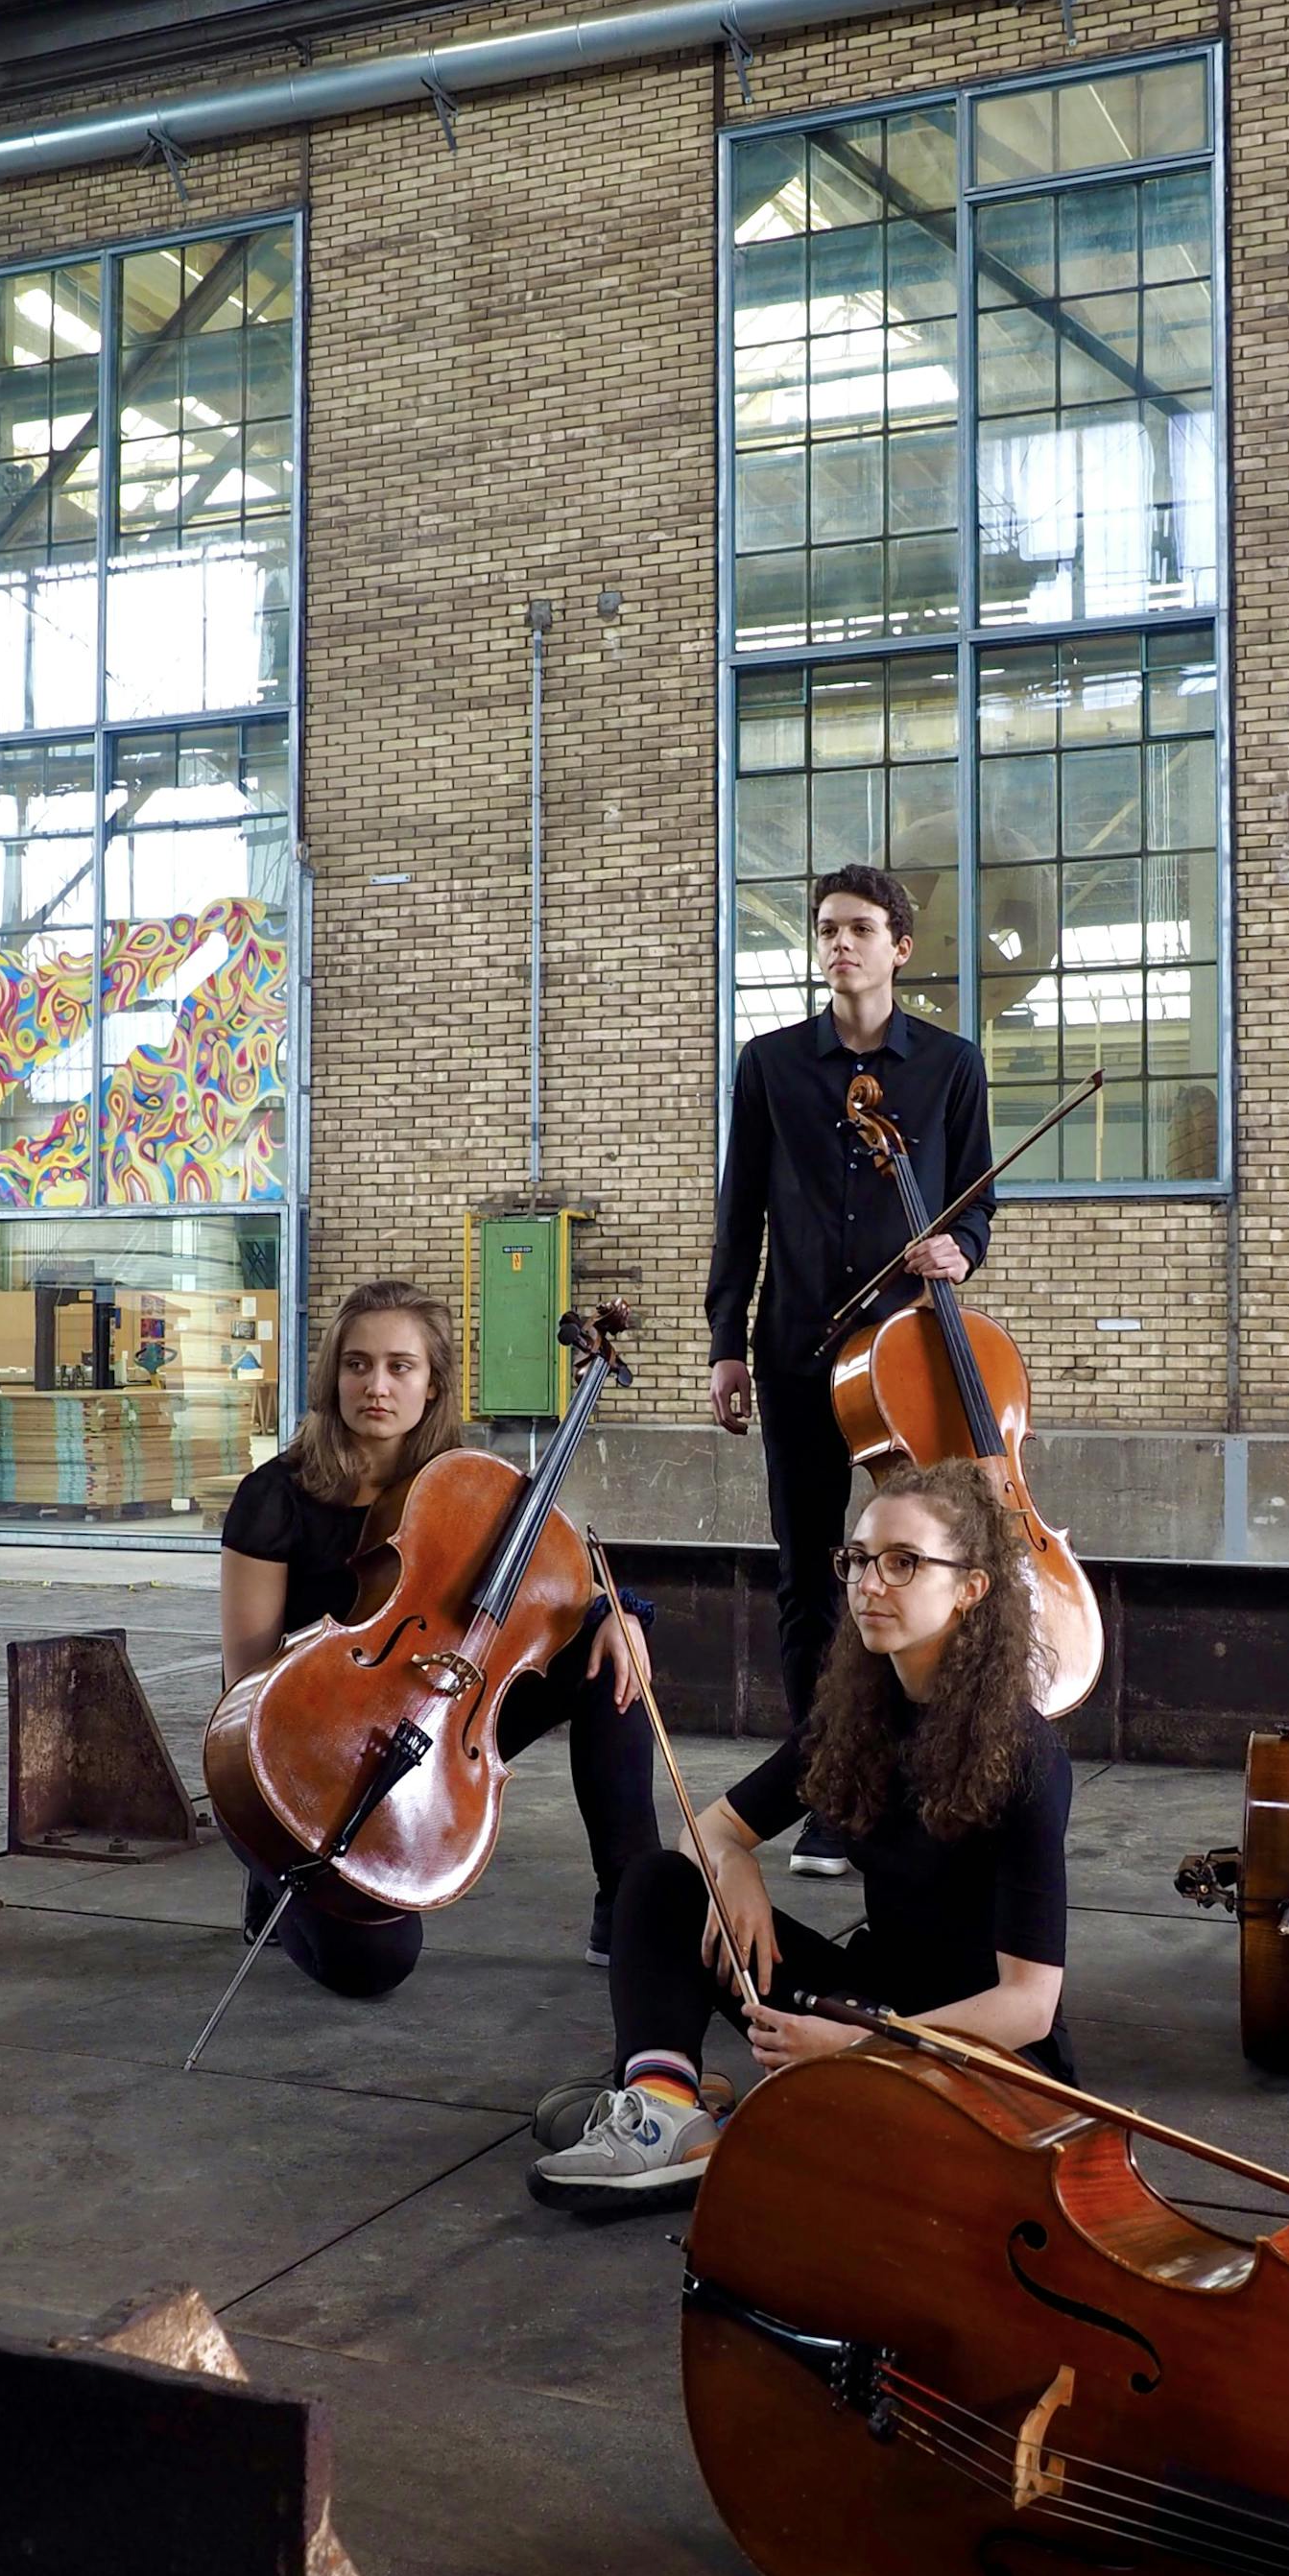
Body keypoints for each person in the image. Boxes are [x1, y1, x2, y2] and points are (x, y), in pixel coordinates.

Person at [531, 1457, 1071, 2211]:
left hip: (977, 2057)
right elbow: (707, 1834)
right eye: (858, 1560)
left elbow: (1028, 2007)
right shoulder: (855, 1717)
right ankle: (665, 2111)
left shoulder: (1027, 1754)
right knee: (660, 1882)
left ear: (971, 1590)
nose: (869, 1584)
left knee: (871, 2163)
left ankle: (704, 2104)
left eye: (904, 1563)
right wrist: (735, 1867)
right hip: (865, 2000)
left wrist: (857, 2043)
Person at [217, 1277, 660, 1994]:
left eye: (400, 1366)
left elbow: (553, 1582)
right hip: (309, 1743)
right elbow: (245, 1683)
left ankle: (633, 1902)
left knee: (607, 1654)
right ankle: (273, 1872)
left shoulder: (461, 1487)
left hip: (440, 1714)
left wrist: (619, 1612)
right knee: (376, 1966)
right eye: (357, 1364)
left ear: (432, 1385)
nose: (376, 1385)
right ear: (332, 1376)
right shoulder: (276, 1497)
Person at [707, 865, 991, 1883]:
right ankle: (830, 1790)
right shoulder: (771, 1064)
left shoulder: (951, 1066)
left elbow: (974, 1210)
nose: (840, 944)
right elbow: (741, 1215)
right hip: (794, 1352)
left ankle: (927, 1782)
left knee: (920, 1571)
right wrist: (725, 1345)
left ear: (900, 947)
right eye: (827, 930)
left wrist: (960, 1254)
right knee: (807, 1578)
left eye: (860, 929)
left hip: (910, 1359)